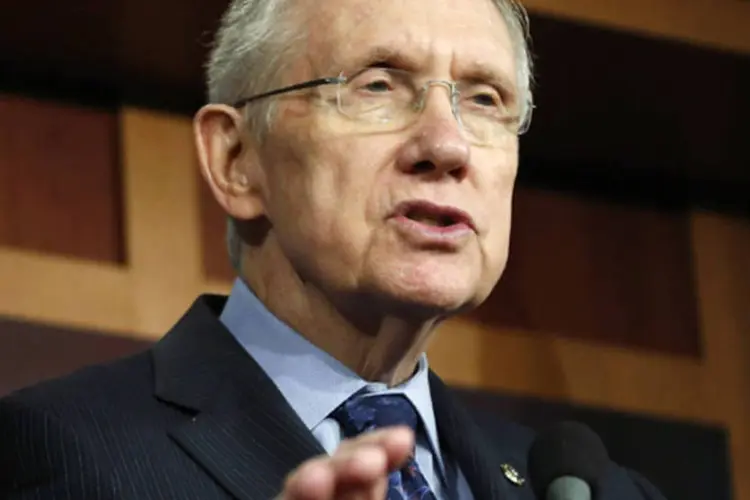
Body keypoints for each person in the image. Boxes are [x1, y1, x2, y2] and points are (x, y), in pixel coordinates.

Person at [0, 0, 667, 498]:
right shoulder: (60, 453)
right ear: (237, 160)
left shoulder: (599, 490)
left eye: (486, 99)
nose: (448, 146)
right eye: (378, 85)